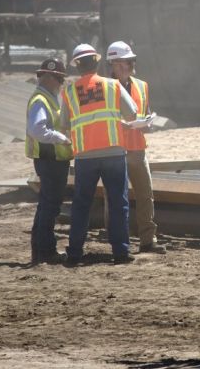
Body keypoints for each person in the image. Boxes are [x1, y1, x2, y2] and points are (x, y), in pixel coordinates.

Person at [60, 43, 138, 265]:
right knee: (117, 203)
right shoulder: (112, 85)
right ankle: (121, 252)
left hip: (85, 157)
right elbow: (132, 112)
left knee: (81, 205)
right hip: (113, 153)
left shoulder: (69, 92)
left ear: (76, 66)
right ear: (96, 61)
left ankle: (75, 253)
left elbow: (64, 124)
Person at [106, 41, 166, 253]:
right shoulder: (104, 87)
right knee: (114, 198)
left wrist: (147, 123)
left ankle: (148, 241)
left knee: (145, 195)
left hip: (137, 148)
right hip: (114, 150)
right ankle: (117, 242)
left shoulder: (142, 85)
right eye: (122, 63)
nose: (127, 66)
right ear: (112, 64)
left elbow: (146, 112)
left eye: (129, 62)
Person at [25, 58, 73, 265]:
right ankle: (45, 251)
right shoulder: (41, 100)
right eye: (60, 80)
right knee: (50, 206)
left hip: (51, 160)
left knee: (46, 205)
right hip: (50, 160)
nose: (61, 84)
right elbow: (37, 130)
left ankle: (40, 250)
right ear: (49, 78)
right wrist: (61, 138)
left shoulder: (47, 98)